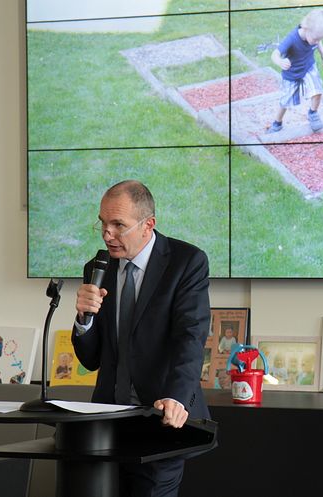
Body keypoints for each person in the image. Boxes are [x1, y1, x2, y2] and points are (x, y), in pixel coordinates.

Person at [72, 180, 211, 497]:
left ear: (148, 225)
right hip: (106, 429)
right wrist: (84, 318)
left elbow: (190, 337)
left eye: (118, 225)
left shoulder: (186, 262)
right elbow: (91, 358)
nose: (107, 234)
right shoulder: (97, 268)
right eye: (103, 223)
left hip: (160, 424)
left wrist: (176, 397)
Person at [267, 8, 323, 134]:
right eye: (315, 39)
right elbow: (274, 54)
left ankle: (313, 113)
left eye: (319, 39)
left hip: (308, 67)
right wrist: (280, 61)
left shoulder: (314, 35)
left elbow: (318, 42)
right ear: (306, 28)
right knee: (286, 100)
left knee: (318, 90)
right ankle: (277, 123)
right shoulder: (292, 38)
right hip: (293, 73)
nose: (317, 42)